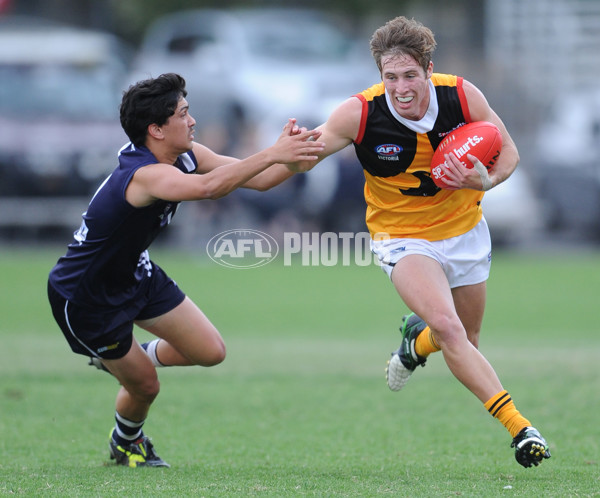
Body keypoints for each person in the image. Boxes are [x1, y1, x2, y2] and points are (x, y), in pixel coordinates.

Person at [287, 16, 551, 468]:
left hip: (465, 231)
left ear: (429, 70)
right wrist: (282, 157)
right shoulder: (360, 112)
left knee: (463, 338)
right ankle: (521, 429)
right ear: (380, 76)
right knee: (450, 330)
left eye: (410, 75)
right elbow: (300, 160)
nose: (401, 87)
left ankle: (415, 345)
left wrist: (484, 180)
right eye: (390, 77)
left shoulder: (461, 95)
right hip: (402, 238)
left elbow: (508, 153)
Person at [47, 73, 324, 468]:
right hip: (87, 296)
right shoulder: (143, 174)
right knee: (146, 385)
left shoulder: (185, 155)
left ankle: (125, 357)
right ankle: (126, 443)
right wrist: (272, 152)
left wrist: (304, 152)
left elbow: (261, 179)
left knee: (210, 351)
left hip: (135, 274)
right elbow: (210, 188)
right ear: (156, 130)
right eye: (184, 113)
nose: (192, 121)